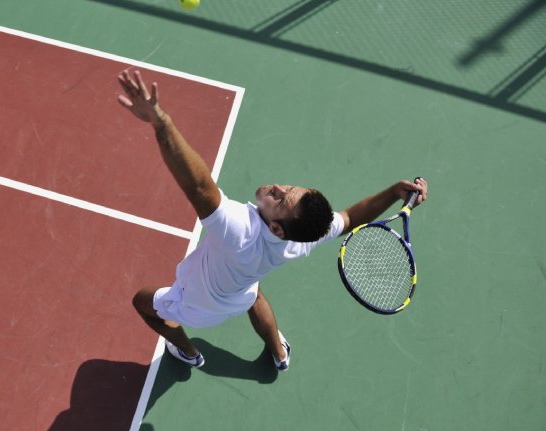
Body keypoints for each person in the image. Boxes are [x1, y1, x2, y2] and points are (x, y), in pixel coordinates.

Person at [117, 70, 428, 371]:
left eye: (281, 199)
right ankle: (279, 353)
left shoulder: (239, 230)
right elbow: (347, 218)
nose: (277, 188)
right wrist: (392, 192)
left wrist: (161, 122)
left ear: (278, 227)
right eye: (289, 188)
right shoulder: (307, 234)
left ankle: (187, 351)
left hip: (198, 304)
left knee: (142, 303)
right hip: (241, 293)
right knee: (255, 293)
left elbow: (199, 186)